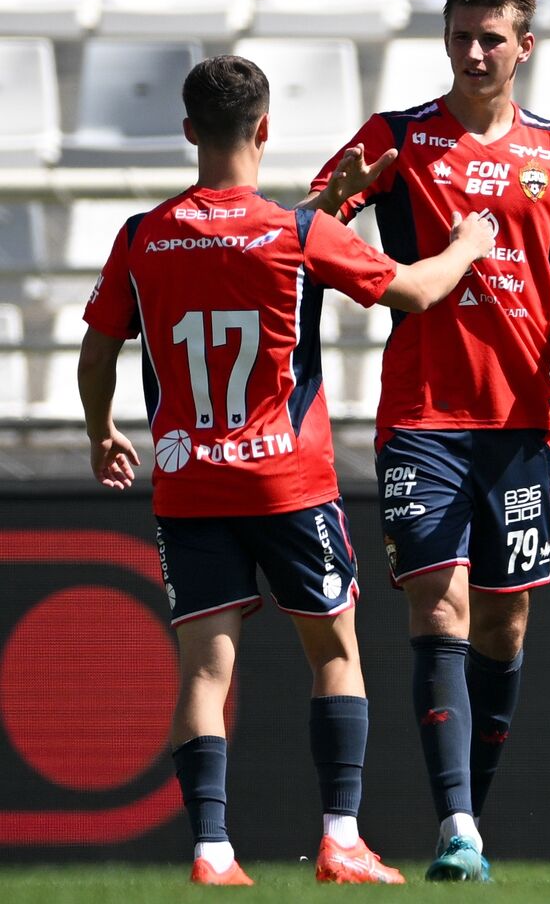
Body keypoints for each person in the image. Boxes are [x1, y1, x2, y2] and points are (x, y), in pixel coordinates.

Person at [78, 55, 495, 886]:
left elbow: (98, 348)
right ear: (264, 129)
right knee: (334, 652)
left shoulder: (141, 235)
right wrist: (468, 245)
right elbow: (412, 291)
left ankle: (211, 849)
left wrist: (102, 432)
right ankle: (341, 838)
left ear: (191, 130)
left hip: (190, 480)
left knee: (205, 667)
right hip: (286, 482)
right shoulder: (296, 232)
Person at [299, 0, 550, 880]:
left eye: (491, 38)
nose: (473, 53)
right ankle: (458, 830)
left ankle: (467, 806)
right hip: (423, 418)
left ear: (525, 46)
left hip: (522, 424)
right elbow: (306, 229)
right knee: (438, 605)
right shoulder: (399, 137)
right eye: (460, 35)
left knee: (506, 627)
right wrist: (359, 239)